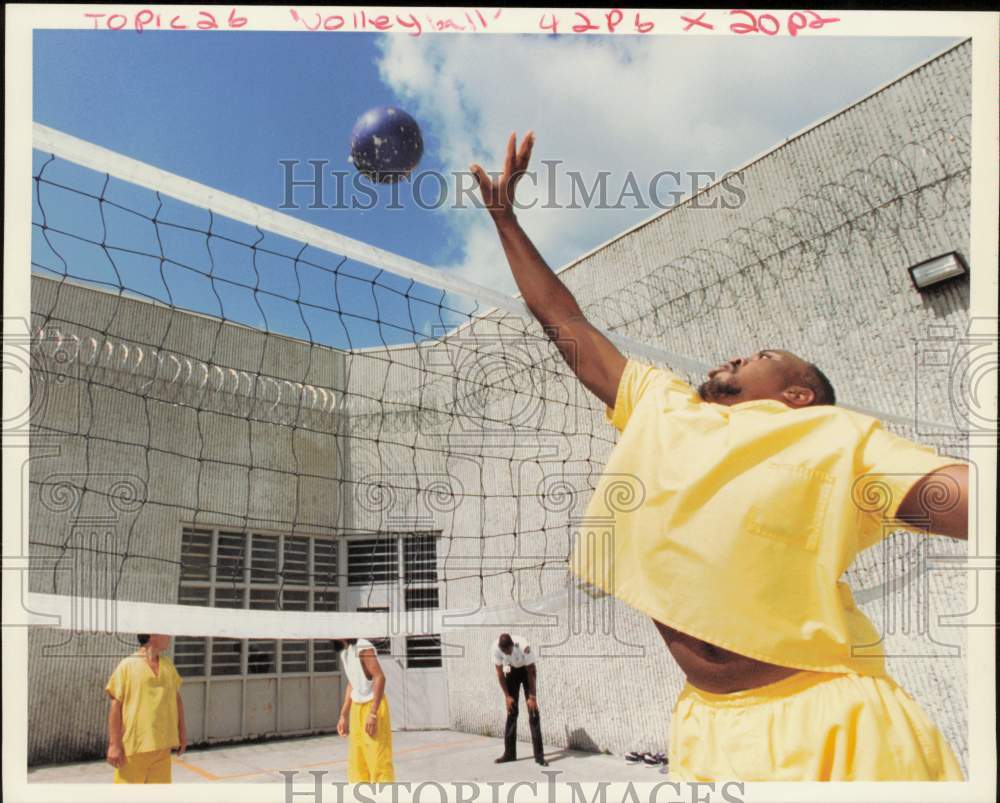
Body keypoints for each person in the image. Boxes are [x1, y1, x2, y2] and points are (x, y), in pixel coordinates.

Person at [470, 132, 969, 781]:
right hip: (706, 726)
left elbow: (958, 494)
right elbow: (569, 325)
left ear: (798, 395)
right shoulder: (664, 405)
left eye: (757, 357)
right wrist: (504, 218)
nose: (730, 357)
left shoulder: (838, 436)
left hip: (828, 724)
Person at [105, 633, 187, 783]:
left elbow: (177, 701)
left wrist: (182, 734)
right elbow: (116, 707)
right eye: (165, 632)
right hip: (133, 750)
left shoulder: (168, 665)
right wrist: (114, 745)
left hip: (162, 749)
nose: (170, 635)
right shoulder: (127, 665)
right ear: (152, 634)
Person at [335, 638, 395, 783]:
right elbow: (352, 683)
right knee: (357, 760)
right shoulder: (345, 652)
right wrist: (343, 715)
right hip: (357, 708)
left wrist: (373, 713)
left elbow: (379, 677)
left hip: (373, 706)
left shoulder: (362, 647)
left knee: (377, 758)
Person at [492, 632, 547, 766]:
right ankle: (509, 754)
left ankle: (539, 757)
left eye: (509, 650)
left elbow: (531, 671)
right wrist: (507, 696)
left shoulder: (523, 645)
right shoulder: (495, 649)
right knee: (512, 711)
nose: (508, 653)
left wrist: (532, 696)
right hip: (512, 672)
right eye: (505, 652)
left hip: (526, 671)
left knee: (533, 712)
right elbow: (499, 674)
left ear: (512, 645)